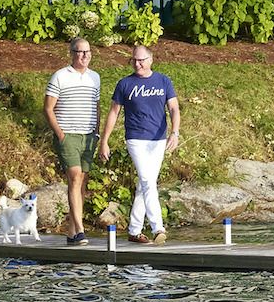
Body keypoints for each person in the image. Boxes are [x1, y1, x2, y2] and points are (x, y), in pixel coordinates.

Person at [100, 41, 182, 242]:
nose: (137, 64)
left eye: (141, 60)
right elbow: (113, 112)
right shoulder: (125, 84)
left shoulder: (163, 81)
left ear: (151, 60)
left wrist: (175, 132)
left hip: (158, 140)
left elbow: (174, 109)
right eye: (134, 61)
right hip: (136, 139)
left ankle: (134, 231)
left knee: (146, 185)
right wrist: (104, 141)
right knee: (147, 181)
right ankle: (158, 228)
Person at [43, 34, 106, 239]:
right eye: (80, 51)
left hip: (88, 136)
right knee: (75, 176)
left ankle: (71, 232)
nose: (84, 55)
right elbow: (48, 108)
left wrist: (96, 132)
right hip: (68, 134)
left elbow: (96, 106)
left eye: (87, 52)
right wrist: (60, 134)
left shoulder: (94, 77)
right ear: (72, 54)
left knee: (82, 181)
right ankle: (80, 229)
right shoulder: (60, 76)